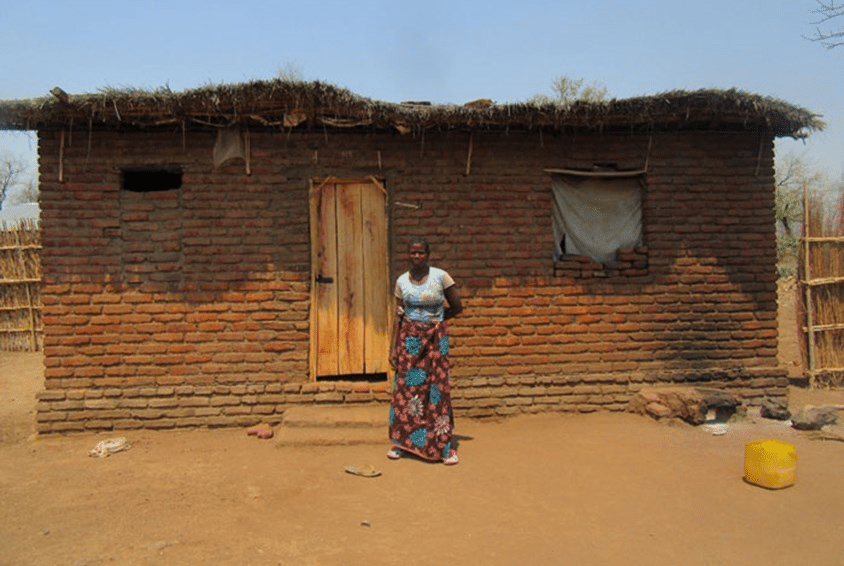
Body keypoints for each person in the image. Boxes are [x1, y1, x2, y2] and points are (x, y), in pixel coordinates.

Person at [387, 237, 463, 465]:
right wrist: (393, 348)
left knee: (435, 389)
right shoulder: (401, 281)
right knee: (407, 390)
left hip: (436, 341)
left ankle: (442, 445)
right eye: (413, 253)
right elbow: (398, 315)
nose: (417, 257)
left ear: (428, 255)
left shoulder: (441, 277)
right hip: (409, 341)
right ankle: (402, 443)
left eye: (421, 253)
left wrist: (436, 324)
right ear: (408, 255)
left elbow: (457, 306)